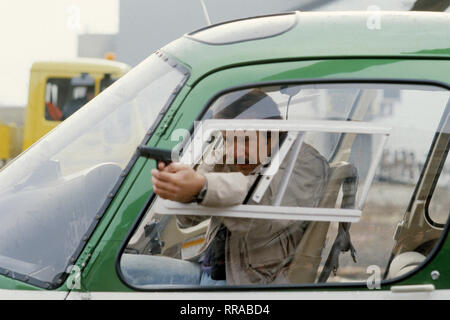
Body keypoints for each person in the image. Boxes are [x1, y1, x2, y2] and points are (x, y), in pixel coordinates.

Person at [121, 89, 330, 286]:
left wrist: (201, 187)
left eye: (246, 139)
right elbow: (188, 219)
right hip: (210, 269)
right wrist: (179, 186)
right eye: (228, 139)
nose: (234, 151)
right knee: (122, 267)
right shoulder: (231, 156)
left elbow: (260, 206)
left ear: (272, 132)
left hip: (249, 283)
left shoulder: (305, 163)